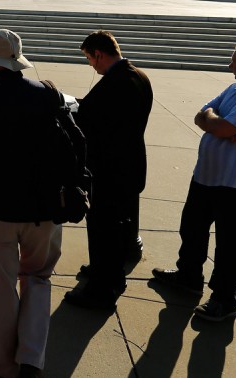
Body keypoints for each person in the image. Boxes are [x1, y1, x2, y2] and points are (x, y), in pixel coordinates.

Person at [151, 41, 236, 322]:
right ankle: (189, 276)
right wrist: (218, 124)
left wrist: (220, 125)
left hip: (235, 182)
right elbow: (203, 113)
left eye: (234, 61)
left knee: (229, 243)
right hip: (207, 174)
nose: (230, 65)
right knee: (192, 228)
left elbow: (220, 125)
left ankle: (224, 298)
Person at [0, 29, 65, 378]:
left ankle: (0, 364)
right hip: (44, 210)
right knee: (37, 279)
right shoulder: (49, 95)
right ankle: (31, 359)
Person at [64, 30, 153, 311]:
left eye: (90, 59)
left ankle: (101, 291)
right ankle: (110, 274)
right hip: (129, 164)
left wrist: (69, 109)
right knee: (117, 227)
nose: (91, 65)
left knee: (104, 227)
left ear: (99, 54)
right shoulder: (138, 75)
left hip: (111, 169)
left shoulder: (116, 82)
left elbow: (92, 121)